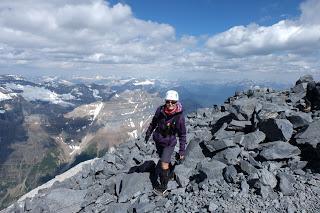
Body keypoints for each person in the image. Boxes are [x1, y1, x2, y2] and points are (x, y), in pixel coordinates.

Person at [145, 90, 186, 194]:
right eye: (168, 101)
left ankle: (163, 187)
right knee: (164, 160)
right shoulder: (160, 110)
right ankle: (170, 173)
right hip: (158, 140)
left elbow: (182, 134)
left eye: (173, 102)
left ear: (176, 102)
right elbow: (153, 122)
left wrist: (182, 151)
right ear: (165, 101)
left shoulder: (179, 117)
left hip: (169, 143)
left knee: (163, 163)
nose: (170, 104)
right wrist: (148, 133)